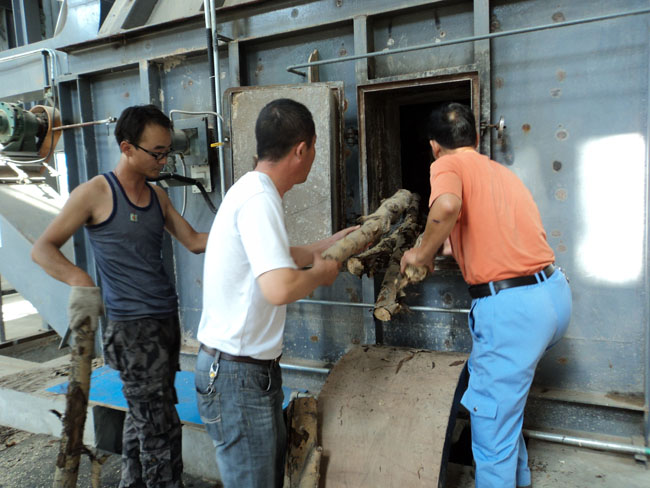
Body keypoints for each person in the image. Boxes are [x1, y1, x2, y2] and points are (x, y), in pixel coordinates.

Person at [32, 104, 208, 488]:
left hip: (164, 321)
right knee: (161, 429)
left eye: (167, 152)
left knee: (143, 417)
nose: (163, 160)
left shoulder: (158, 197)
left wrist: (245, 234)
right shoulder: (95, 193)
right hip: (131, 330)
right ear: (127, 148)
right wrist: (79, 279)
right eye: (156, 153)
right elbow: (43, 249)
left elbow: (194, 241)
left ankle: (133, 482)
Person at [400, 103, 572, 488]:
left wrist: (420, 254)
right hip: (553, 296)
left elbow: (446, 204)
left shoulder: (446, 166)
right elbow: (487, 232)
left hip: (513, 311)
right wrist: (445, 243)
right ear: (476, 139)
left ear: (433, 147)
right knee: (504, 408)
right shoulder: (501, 174)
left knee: (491, 429)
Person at [195, 98, 354, 488]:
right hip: (237, 377)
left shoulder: (252, 190)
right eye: (314, 148)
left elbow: (277, 258)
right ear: (302, 149)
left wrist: (328, 243)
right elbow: (279, 285)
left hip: (240, 373)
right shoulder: (259, 199)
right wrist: (322, 273)